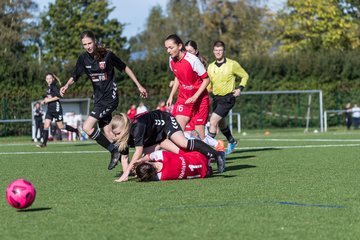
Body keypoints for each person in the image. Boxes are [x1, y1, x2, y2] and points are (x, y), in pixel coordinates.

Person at [60, 30, 147, 169]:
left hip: (110, 98)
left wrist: (139, 85)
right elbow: (75, 76)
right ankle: (127, 161)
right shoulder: (83, 59)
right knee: (109, 134)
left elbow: (125, 68)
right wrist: (66, 85)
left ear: (94, 41)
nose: (88, 46)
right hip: (98, 100)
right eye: (84, 44)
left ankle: (114, 150)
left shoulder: (107, 55)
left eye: (89, 43)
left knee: (87, 127)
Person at [109, 110, 226, 182]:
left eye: (118, 134)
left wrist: (125, 174)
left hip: (165, 121)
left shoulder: (137, 128)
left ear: (125, 128)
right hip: (156, 138)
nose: (116, 137)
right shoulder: (122, 137)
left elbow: (138, 152)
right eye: (114, 134)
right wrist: (127, 175)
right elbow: (124, 158)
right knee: (181, 154)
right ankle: (200, 165)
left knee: (183, 143)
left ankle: (217, 154)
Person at [207, 40, 249, 155]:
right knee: (221, 123)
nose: (218, 52)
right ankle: (232, 141)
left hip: (228, 98)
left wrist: (240, 88)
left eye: (220, 50)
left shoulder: (232, 64)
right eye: (216, 50)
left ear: (224, 51)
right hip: (216, 99)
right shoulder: (210, 67)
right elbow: (209, 85)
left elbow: (245, 75)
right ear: (213, 51)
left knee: (213, 121)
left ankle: (208, 151)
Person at [36, 73, 80, 148]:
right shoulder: (48, 87)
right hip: (50, 109)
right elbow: (49, 98)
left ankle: (75, 130)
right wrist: (44, 101)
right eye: (47, 79)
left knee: (61, 126)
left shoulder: (54, 86)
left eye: (50, 78)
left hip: (56, 108)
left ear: (53, 79)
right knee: (46, 125)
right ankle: (44, 143)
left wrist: (48, 100)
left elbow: (59, 96)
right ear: (45, 80)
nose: (49, 80)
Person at [134, 150, 211, 181]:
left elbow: (149, 175)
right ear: (147, 162)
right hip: (200, 156)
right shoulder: (160, 155)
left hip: (203, 173)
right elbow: (148, 156)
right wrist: (141, 160)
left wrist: (141, 174)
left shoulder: (160, 177)